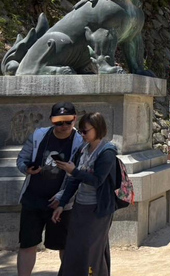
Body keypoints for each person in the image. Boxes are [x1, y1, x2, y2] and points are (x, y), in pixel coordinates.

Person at [16, 102, 84, 276]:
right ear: (51, 121)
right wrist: (26, 168)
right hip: (33, 199)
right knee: (27, 244)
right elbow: (22, 158)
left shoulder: (80, 143)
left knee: (65, 246)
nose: (63, 126)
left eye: (67, 122)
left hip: (61, 203)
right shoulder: (39, 136)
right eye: (58, 122)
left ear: (74, 119)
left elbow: (79, 175)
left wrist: (63, 196)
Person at [53, 112, 118, 276]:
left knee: (91, 251)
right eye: (80, 131)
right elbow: (74, 181)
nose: (82, 134)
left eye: (85, 131)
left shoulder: (107, 152)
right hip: (80, 206)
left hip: (98, 209)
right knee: (74, 250)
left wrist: (73, 171)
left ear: (97, 129)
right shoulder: (83, 149)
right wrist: (62, 204)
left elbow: (97, 180)